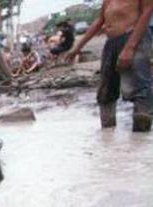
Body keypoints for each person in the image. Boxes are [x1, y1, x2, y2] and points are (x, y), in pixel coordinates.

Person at [64, 0, 153, 132]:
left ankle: (140, 138)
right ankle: (107, 140)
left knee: (140, 89)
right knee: (106, 92)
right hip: (111, 43)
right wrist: (78, 46)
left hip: (134, 38)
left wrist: (130, 47)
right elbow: (100, 20)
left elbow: (146, 13)